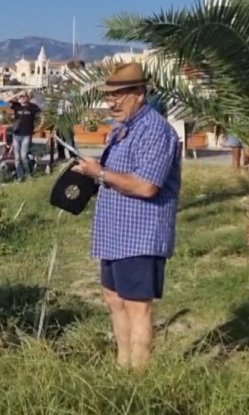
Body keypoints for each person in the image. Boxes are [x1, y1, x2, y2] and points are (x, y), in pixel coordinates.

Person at [72, 63, 181, 370]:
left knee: (137, 307)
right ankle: (123, 367)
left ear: (139, 94)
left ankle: (139, 375)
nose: (112, 102)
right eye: (109, 96)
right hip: (114, 232)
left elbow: (147, 186)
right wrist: (93, 175)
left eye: (119, 95)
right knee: (114, 299)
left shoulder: (156, 131)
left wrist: (102, 172)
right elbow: (116, 176)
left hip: (140, 234)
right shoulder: (122, 130)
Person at [8, 91, 41, 181]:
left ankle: (29, 173)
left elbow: (42, 115)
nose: (22, 98)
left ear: (28, 97)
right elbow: (6, 100)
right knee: (17, 157)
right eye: (21, 97)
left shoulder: (33, 107)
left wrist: (38, 127)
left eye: (24, 96)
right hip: (16, 134)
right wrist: (17, 94)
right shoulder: (16, 106)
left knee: (24, 156)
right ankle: (20, 176)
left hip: (27, 134)